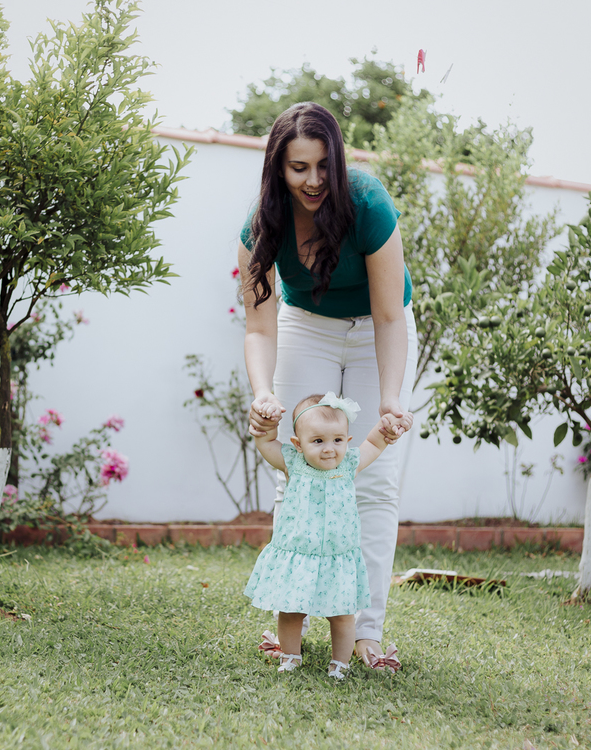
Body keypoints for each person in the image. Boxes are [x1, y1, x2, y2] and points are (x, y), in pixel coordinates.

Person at [238, 101, 419, 673]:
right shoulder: (261, 223)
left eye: (322, 166)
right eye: (298, 168)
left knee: (375, 482)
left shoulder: (366, 202)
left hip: (376, 329)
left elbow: (391, 317)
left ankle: (366, 633)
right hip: (305, 328)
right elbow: (258, 325)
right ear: (278, 170)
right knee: (295, 472)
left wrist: (389, 399)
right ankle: (291, 620)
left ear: (336, 162)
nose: (313, 180)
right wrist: (264, 393)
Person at [244, 393, 411, 680]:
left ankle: (340, 663)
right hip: (300, 555)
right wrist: (268, 425)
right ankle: (291, 655)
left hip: (338, 557)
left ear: (347, 441)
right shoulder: (293, 464)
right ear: (298, 444)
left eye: (337, 440)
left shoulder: (348, 465)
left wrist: (387, 427)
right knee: (291, 610)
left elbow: (372, 443)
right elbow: (266, 443)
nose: (329, 449)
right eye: (317, 441)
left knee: (343, 615)